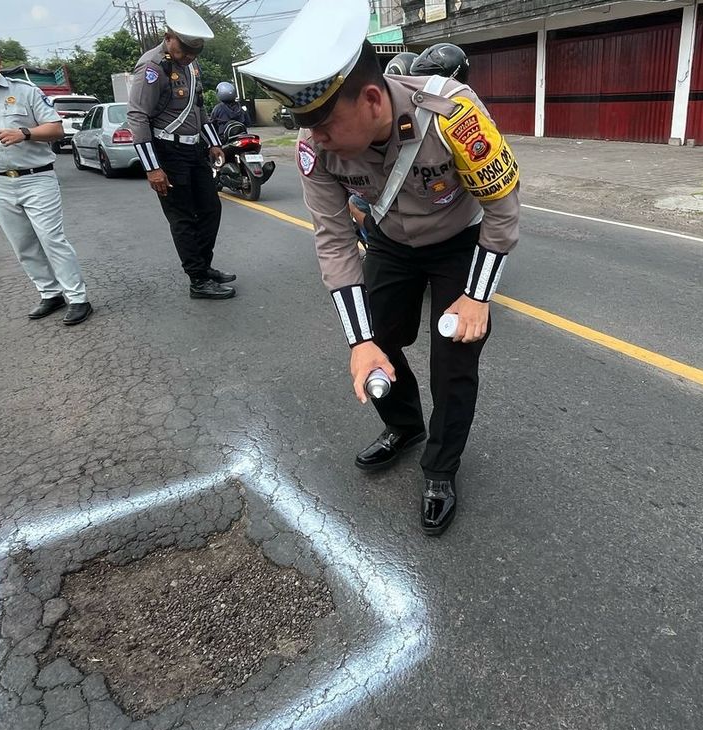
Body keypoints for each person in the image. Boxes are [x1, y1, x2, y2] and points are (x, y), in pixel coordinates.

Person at [243, 0, 520, 534]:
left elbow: (503, 212)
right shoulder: (314, 147)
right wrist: (358, 341)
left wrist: (477, 296)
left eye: (322, 125)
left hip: (458, 244)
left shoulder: (453, 115)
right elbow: (333, 239)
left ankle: (440, 467)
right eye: (305, 126)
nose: (313, 138)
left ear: (372, 98)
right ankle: (405, 426)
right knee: (378, 347)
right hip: (390, 244)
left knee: (453, 361)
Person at [0, 31, 92, 325]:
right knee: (22, 242)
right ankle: (50, 293)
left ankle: (77, 297)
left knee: (51, 239)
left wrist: (24, 133)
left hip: (37, 178)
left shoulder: (25, 91)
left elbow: (56, 129)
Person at [127, 1, 236, 300]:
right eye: (185, 49)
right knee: (183, 217)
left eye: (195, 51)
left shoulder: (191, 67)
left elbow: (198, 111)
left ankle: (204, 266)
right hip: (166, 152)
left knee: (211, 209)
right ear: (169, 36)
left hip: (193, 150)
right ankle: (198, 280)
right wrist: (152, 167)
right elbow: (137, 116)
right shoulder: (152, 67)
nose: (189, 56)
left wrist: (214, 142)